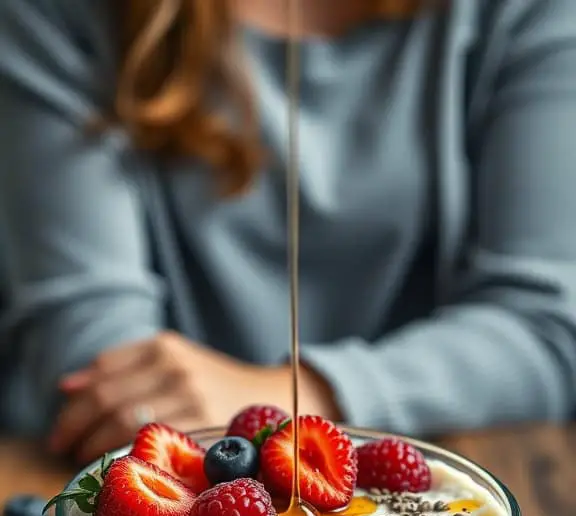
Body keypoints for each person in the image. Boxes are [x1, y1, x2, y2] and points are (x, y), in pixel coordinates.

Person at [0, 0, 575, 465]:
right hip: (149, 498)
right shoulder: (59, 14)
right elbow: (91, 359)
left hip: (427, 490)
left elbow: (547, 330)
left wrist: (293, 400)